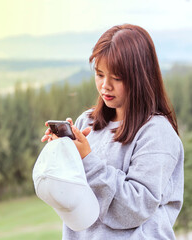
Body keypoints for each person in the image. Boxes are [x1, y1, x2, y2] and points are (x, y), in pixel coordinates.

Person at [41, 24, 184, 239]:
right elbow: (70, 197)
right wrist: (62, 153)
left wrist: (87, 160)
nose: (105, 86)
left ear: (141, 77)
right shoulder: (87, 122)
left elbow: (134, 210)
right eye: (99, 74)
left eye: (116, 78)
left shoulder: (157, 133)